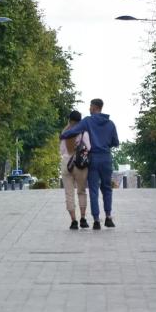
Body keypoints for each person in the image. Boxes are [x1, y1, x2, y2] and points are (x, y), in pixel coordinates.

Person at [60, 98, 119, 230]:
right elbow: (116, 142)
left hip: (93, 159)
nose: (89, 109)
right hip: (106, 158)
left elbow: (74, 130)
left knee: (93, 190)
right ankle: (108, 217)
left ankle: (96, 221)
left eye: (90, 106)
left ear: (94, 107)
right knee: (107, 188)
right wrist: (105, 143)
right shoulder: (111, 124)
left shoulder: (88, 121)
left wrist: (63, 135)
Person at [60, 110, 91, 230]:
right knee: (81, 191)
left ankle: (73, 221)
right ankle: (83, 219)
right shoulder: (83, 133)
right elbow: (89, 148)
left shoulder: (64, 133)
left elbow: (62, 150)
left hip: (66, 163)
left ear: (69, 120)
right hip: (80, 164)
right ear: (80, 121)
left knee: (69, 193)